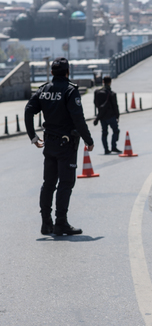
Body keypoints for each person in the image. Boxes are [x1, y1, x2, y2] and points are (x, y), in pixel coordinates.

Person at [24, 57, 94, 236]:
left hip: (49, 143)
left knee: (48, 183)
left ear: (52, 72)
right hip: (66, 144)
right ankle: (61, 222)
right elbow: (78, 119)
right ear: (67, 72)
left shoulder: (43, 90)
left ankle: (46, 223)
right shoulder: (70, 91)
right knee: (66, 182)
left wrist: (33, 137)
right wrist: (88, 139)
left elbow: (28, 110)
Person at [93, 76, 121, 154]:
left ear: (103, 82)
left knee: (104, 132)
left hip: (102, 116)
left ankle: (106, 149)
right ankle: (113, 147)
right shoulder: (111, 93)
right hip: (111, 115)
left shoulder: (97, 92)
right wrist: (117, 115)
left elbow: (95, 103)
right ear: (110, 82)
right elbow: (115, 105)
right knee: (116, 131)